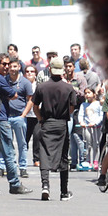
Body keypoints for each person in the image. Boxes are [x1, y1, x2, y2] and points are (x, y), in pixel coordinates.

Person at [0, 53, 31, 195]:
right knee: (9, 153)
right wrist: (9, 92)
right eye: (4, 64)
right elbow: (14, 94)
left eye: (8, 64)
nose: (7, 67)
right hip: (0, 120)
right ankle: (15, 184)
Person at [31, 57, 76, 201]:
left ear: (50, 69)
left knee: (44, 153)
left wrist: (40, 119)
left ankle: (45, 186)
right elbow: (72, 107)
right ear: (62, 71)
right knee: (63, 156)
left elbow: (35, 106)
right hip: (62, 123)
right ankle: (63, 191)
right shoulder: (69, 88)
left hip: (47, 122)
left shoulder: (42, 87)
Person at [6, 53, 33, 178]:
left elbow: (30, 100)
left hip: (19, 117)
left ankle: (23, 167)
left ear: (19, 67)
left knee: (22, 144)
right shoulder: (4, 80)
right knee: (6, 143)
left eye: (15, 66)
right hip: (6, 117)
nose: (12, 69)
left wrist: (23, 115)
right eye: (11, 66)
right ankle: (5, 166)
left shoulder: (25, 82)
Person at [63, 59, 87, 170]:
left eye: (70, 66)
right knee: (67, 136)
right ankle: (72, 160)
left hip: (77, 109)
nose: (68, 69)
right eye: (66, 66)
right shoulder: (63, 78)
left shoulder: (79, 78)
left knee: (77, 136)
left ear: (73, 67)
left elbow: (84, 93)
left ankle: (83, 160)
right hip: (65, 110)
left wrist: (72, 89)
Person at [78, 86, 103, 170]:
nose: (87, 95)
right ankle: (89, 161)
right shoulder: (83, 105)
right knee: (88, 145)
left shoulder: (99, 104)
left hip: (97, 128)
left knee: (96, 144)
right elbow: (81, 115)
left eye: (89, 93)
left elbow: (101, 116)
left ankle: (96, 161)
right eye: (85, 93)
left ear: (94, 94)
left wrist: (95, 123)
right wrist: (81, 122)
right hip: (87, 128)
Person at [23, 65, 40, 167]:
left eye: (32, 71)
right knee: (25, 139)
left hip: (37, 115)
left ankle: (36, 159)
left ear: (35, 73)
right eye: (27, 71)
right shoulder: (22, 84)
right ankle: (23, 158)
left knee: (37, 137)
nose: (30, 73)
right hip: (26, 115)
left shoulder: (39, 86)